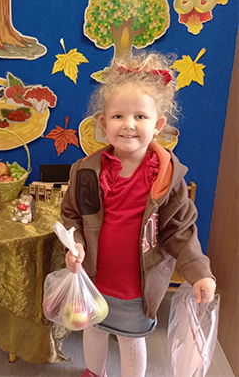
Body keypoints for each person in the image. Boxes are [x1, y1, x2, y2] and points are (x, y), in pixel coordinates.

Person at [62, 52, 216, 377]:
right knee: (94, 330)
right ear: (103, 124)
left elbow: (180, 230)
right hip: (94, 278)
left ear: (157, 125)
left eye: (140, 116)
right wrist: (75, 245)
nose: (128, 124)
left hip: (137, 286)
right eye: (118, 116)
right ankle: (94, 373)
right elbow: (72, 215)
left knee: (131, 340)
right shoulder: (87, 171)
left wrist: (198, 271)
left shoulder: (167, 177)